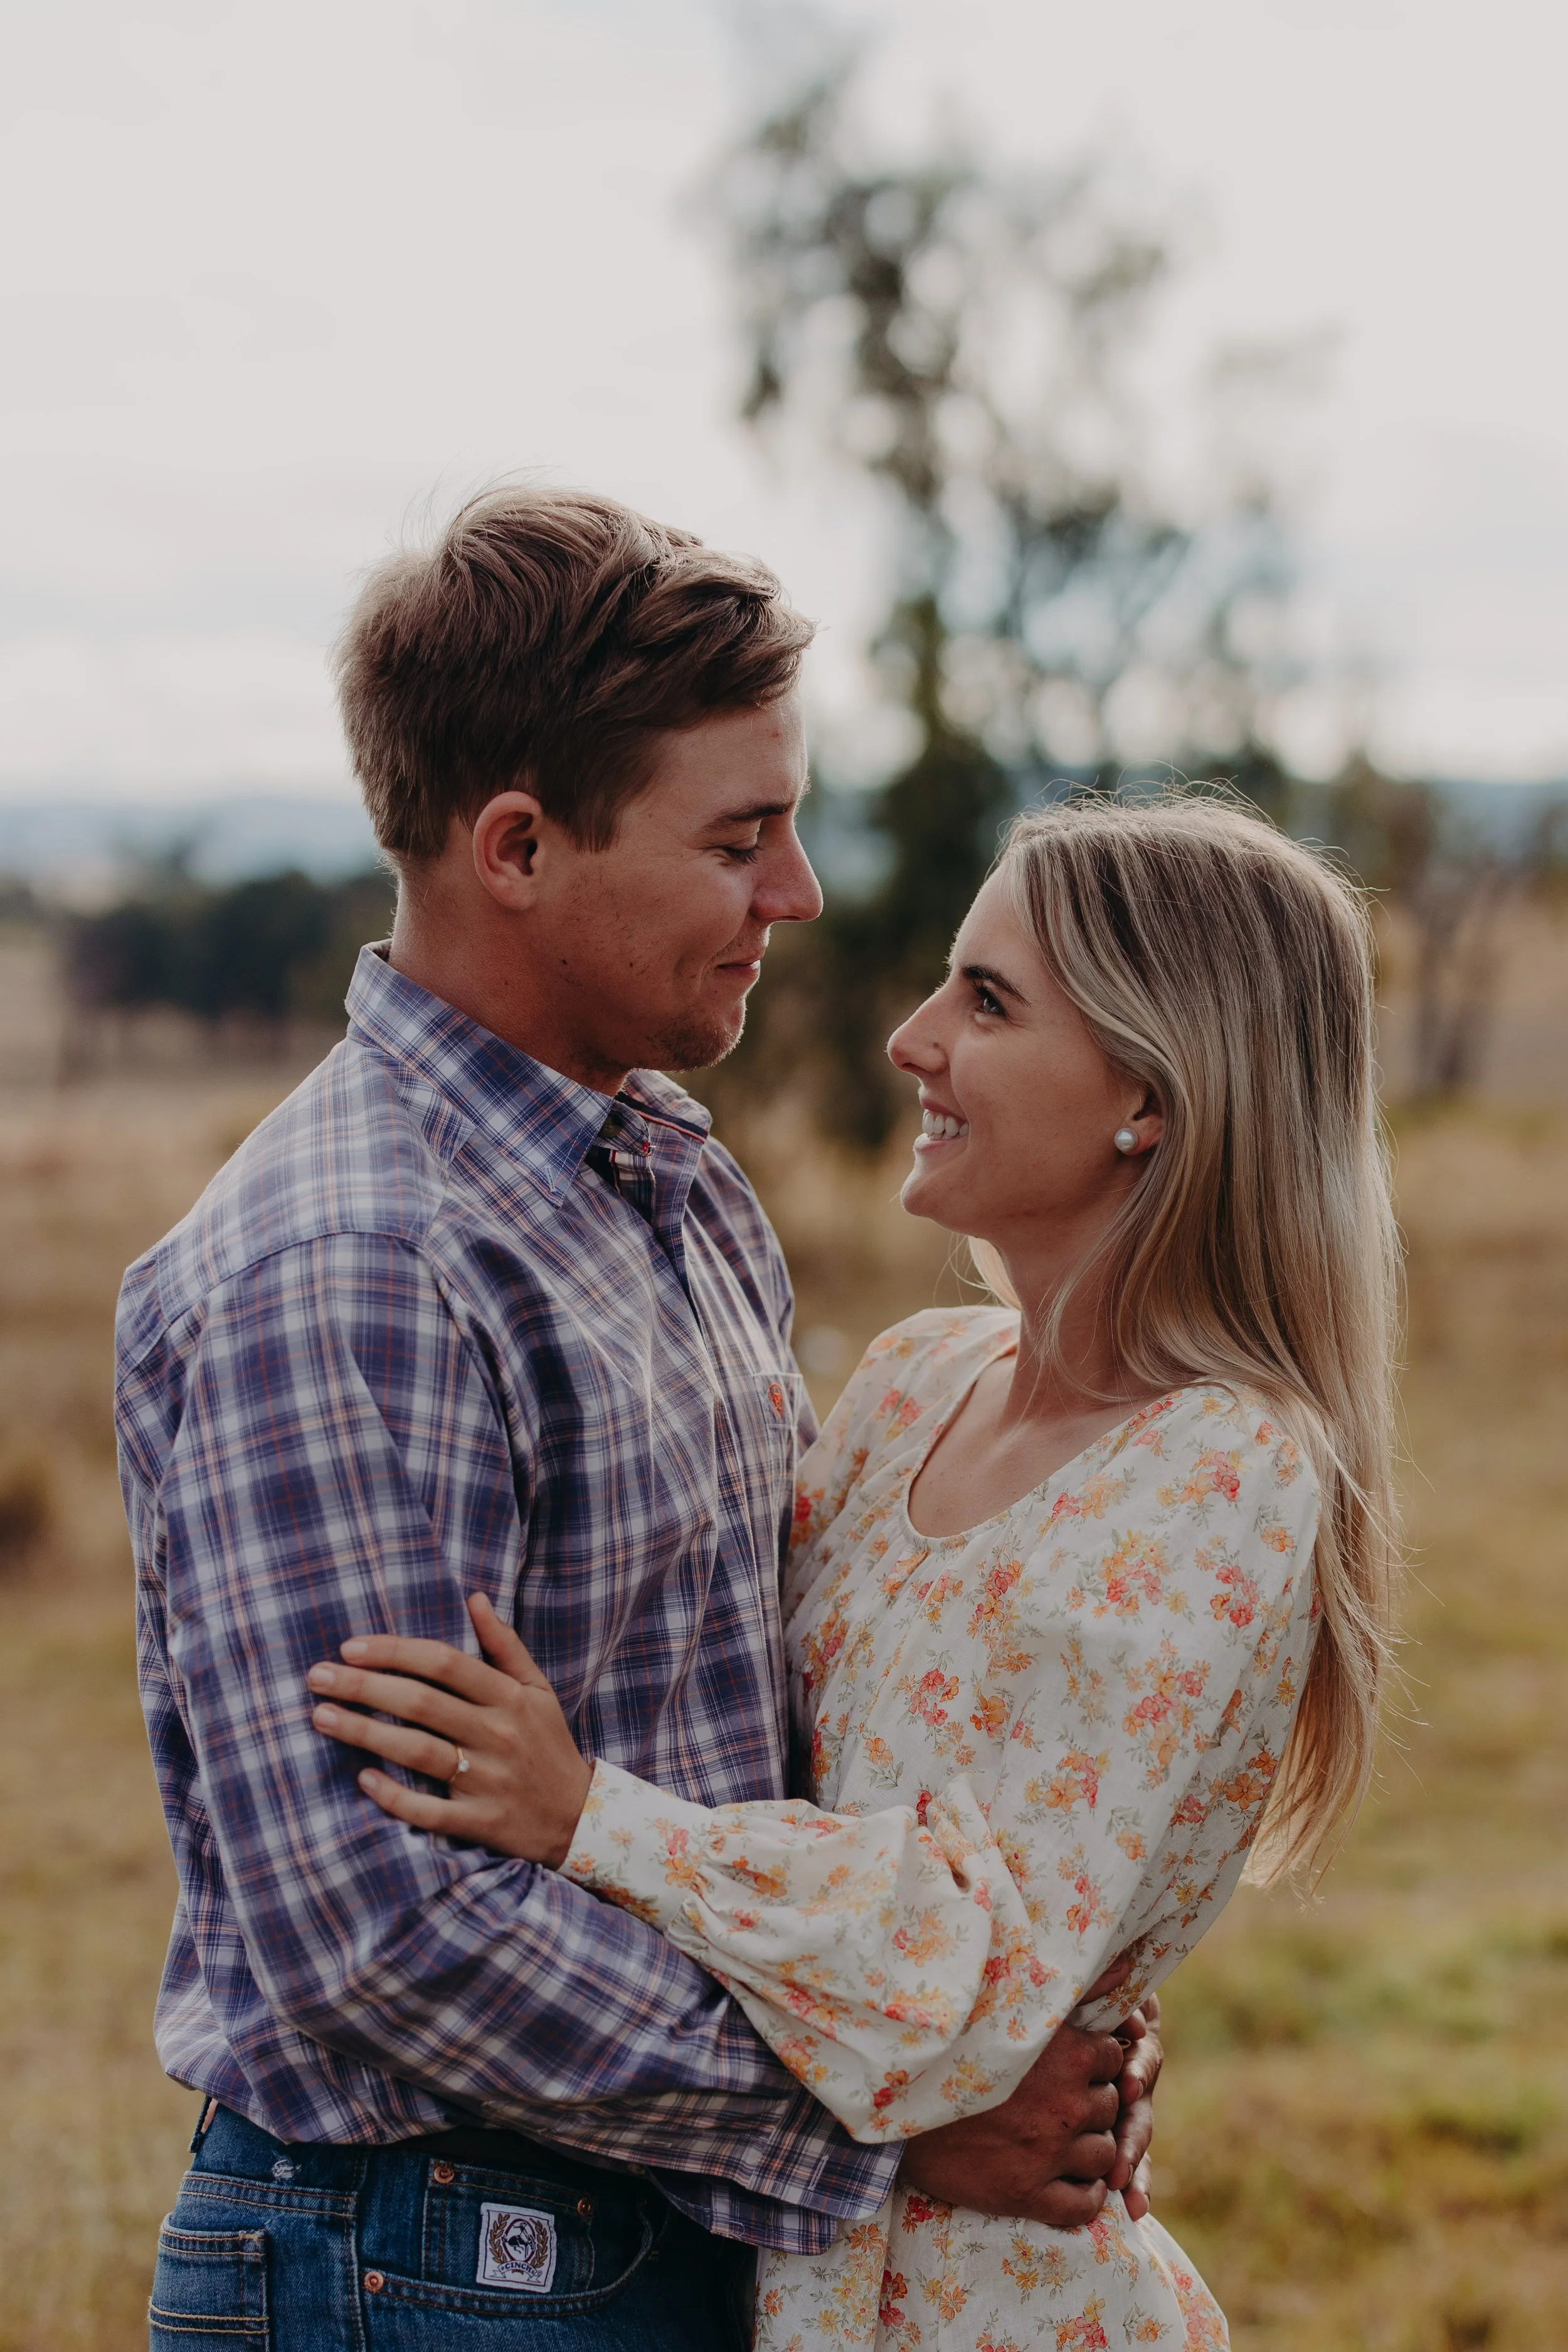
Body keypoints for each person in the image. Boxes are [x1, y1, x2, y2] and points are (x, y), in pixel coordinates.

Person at [119, 487, 1160, 2352]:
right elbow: (386, 1936)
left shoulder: (660, 1169)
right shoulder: (358, 1260)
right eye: (740, 837)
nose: (801, 894)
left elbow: (763, 1719)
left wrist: (985, 1993)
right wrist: (893, 2126)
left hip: (635, 2230)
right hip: (434, 2259)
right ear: (514, 845)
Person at [309, 791, 1402, 2349]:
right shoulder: (907, 1385)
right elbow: (745, 1743)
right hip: (753, 2269)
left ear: (1149, 1096)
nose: (910, 1036)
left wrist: (587, 1819)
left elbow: (967, 1962)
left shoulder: (1219, 1468)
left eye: (988, 999)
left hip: (984, 2304)